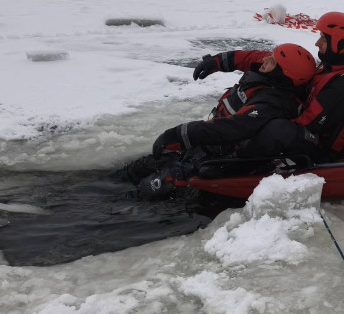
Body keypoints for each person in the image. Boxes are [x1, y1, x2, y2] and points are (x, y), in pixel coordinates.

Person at [130, 42, 316, 198]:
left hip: (217, 157)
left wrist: (180, 134)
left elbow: (233, 128)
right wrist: (216, 62)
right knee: (133, 171)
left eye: (272, 60)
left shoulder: (274, 102)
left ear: (283, 74)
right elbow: (246, 57)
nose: (265, 59)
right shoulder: (269, 72)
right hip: (203, 147)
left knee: (144, 192)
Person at [240, 11, 344, 162]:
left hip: (322, 149)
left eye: (324, 39)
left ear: (341, 43)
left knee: (278, 129)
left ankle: (236, 165)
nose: (317, 43)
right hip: (315, 131)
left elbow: (310, 124)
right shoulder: (335, 64)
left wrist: (263, 123)